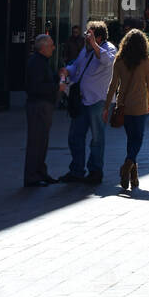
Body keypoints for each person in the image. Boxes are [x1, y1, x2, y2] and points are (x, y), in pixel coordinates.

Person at [59, 21, 117, 186]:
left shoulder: (109, 48)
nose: (86, 38)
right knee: (75, 136)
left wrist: (93, 44)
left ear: (98, 37)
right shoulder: (86, 49)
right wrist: (67, 70)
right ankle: (76, 170)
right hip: (83, 99)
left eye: (90, 35)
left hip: (99, 101)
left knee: (97, 138)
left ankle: (95, 171)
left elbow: (107, 61)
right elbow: (76, 65)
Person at [103, 29, 149, 190]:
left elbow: (113, 85)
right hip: (139, 104)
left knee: (131, 138)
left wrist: (106, 106)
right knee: (137, 139)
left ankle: (133, 175)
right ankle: (127, 166)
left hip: (123, 105)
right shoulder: (147, 61)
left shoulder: (119, 60)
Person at [24, 34, 59, 187]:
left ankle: (40, 172)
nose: (53, 47)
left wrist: (58, 77)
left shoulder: (42, 61)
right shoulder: (36, 63)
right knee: (36, 142)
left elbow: (46, 81)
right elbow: (36, 87)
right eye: (51, 45)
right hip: (38, 106)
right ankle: (32, 176)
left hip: (43, 106)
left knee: (42, 141)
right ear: (43, 47)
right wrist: (58, 87)